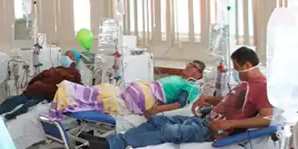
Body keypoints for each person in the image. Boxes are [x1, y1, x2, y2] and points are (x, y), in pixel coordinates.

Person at [87, 49, 270, 149]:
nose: (236, 73)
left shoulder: (261, 86)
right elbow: (234, 103)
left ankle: (113, 146)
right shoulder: (245, 85)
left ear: (247, 65)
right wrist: (209, 99)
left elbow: (266, 118)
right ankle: (116, 140)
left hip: (213, 130)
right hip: (204, 120)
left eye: (237, 69)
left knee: (168, 131)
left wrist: (229, 124)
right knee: (157, 121)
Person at [50, 60, 204, 121]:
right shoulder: (180, 78)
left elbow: (179, 104)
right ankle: (70, 93)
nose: (188, 66)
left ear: (199, 75)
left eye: (193, 66)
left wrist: (156, 110)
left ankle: (70, 97)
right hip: (130, 93)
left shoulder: (190, 85)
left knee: (105, 98)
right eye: (189, 63)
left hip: (140, 101)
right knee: (103, 88)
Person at [0, 50, 82, 120]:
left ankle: (11, 116)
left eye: (69, 56)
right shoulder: (56, 68)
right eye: (66, 54)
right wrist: (31, 84)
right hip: (32, 90)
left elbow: (76, 87)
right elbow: (40, 75)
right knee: (11, 101)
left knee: (27, 106)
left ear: (75, 60)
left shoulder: (74, 73)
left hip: (44, 94)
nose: (65, 57)